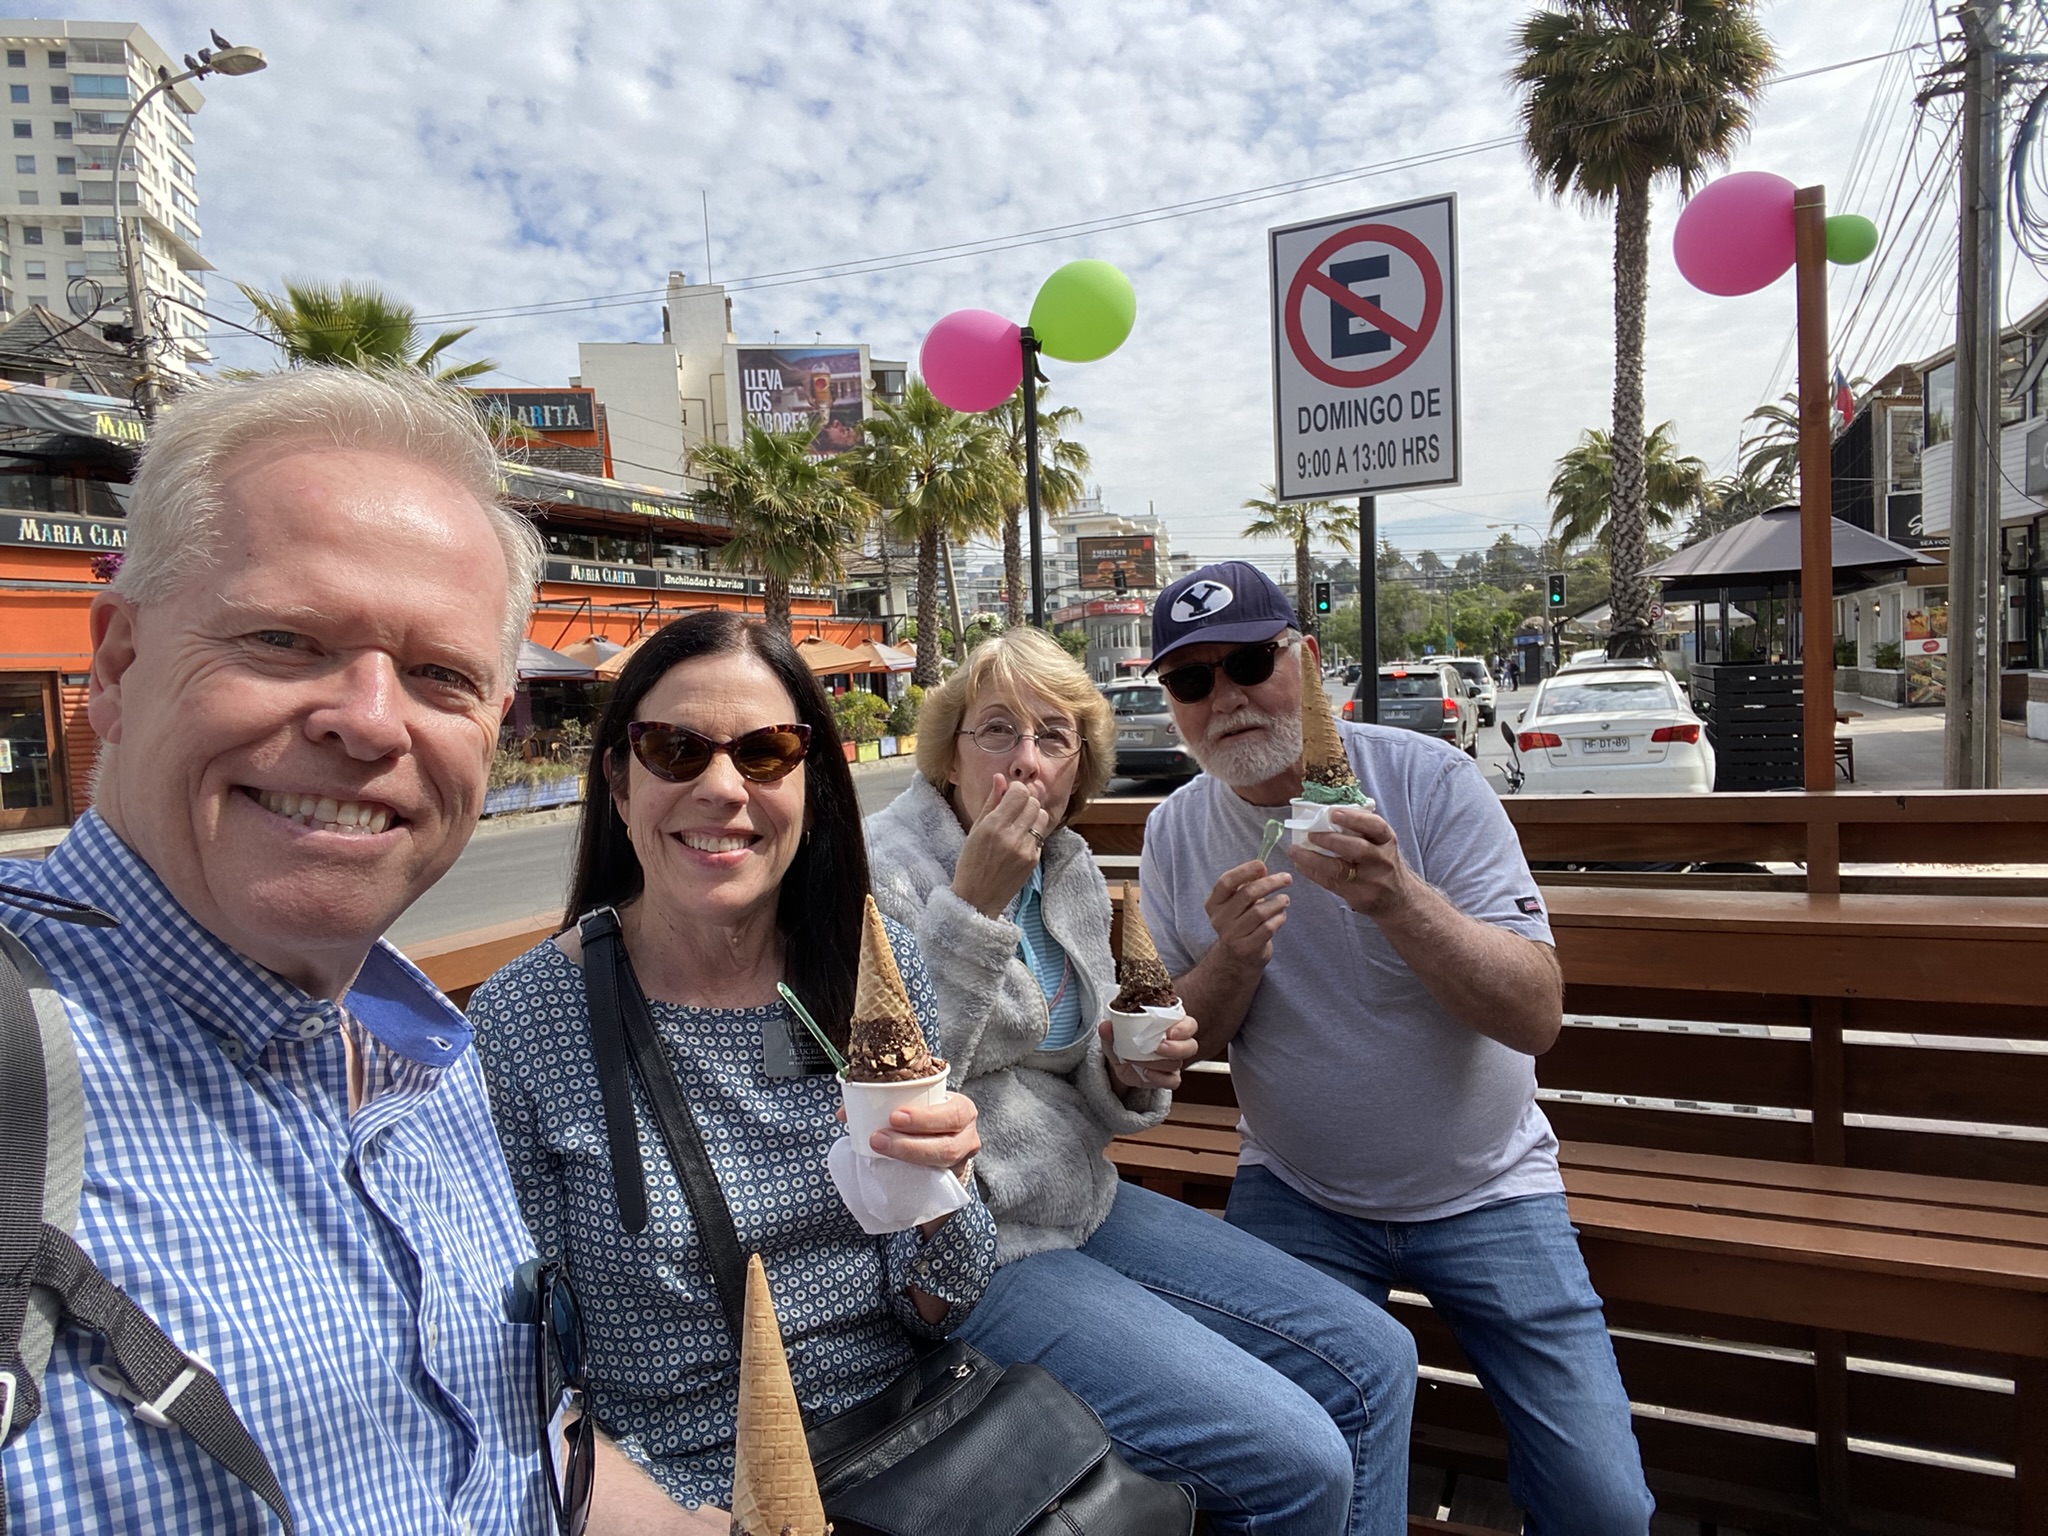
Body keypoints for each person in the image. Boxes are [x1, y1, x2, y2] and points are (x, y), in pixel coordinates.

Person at [0, 369, 693, 1532]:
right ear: (116, 665)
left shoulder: (427, 1060)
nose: (371, 720)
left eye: (440, 676)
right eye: (283, 639)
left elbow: (516, 1452)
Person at [1138, 561, 1654, 1535]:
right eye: (1192, 680)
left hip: (1489, 1189)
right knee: (1280, 1463)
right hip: (1298, 1190)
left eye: (1249, 663)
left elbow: (1535, 1015)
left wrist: (1399, 900)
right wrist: (1233, 960)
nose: (1226, 698)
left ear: (1306, 660)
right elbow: (1180, 1039)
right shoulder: (1176, 830)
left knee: (1604, 1506)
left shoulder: (1427, 780)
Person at [866, 628, 1418, 1536]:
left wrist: (1126, 1067)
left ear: (1078, 770)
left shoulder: (1069, 869)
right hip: (967, 1243)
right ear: (948, 753)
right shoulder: (878, 870)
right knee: (1299, 1460)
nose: (1026, 760)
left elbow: (1078, 1066)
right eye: (997, 730)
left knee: (1377, 1361)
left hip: (1080, 1198)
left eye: (1054, 738)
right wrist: (973, 905)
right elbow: (888, 1091)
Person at [468, 611, 997, 1515]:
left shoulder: (871, 975)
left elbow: (935, 1306)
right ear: (620, 785)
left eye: (765, 752)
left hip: (908, 1449)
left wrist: (945, 1192)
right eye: (674, 749)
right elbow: (519, 1370)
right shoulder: (526, 1022)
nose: (721, 787)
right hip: (684, 1493)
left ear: (811, 786)